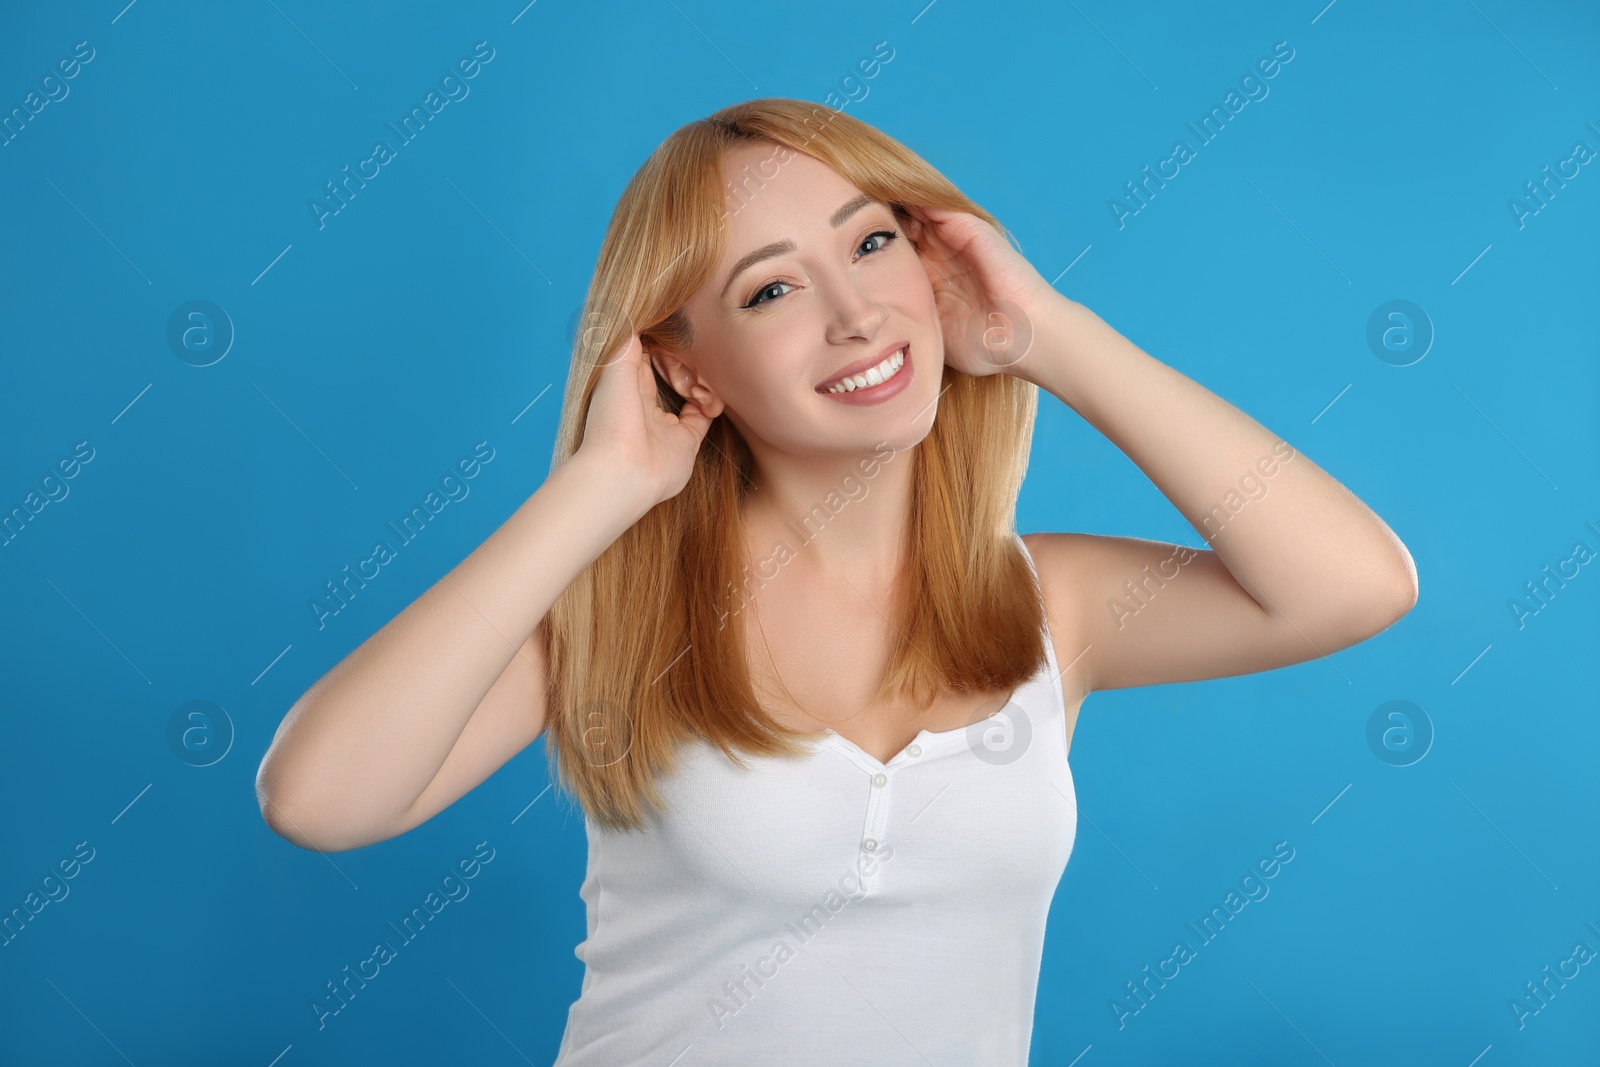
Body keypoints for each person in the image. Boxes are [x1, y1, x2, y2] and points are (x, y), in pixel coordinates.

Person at [255, 98, 1417, 1063]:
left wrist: (1044, 332)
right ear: (680, 361)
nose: (857, 314)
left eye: (871, 243)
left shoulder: (1045, 607)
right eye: (771, 289)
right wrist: (601, 486)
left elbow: (1354, 584)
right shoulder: (617, 621)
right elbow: (319, 797)